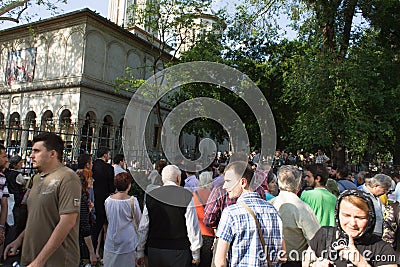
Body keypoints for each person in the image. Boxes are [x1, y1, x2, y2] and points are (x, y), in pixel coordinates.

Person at [4, 133, 81, 266]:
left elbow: (67, 222)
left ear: (52, 154)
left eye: (37, 151)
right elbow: (36, 217)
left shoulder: (68, 178)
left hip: (56, 262)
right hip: (30, 258)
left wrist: (39, 261)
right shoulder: (37, 178)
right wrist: (20, 240)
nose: (31, 155)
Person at [303, 190, 397, 267]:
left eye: (360, 217)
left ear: (370, 218)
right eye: (346, 215)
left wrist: (361, 263)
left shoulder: (382, 249)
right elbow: (306, 261)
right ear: (337, 214)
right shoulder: (324, 236)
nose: (352, 223)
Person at [215, 161, 284, 267]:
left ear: (243, 182)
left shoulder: (231, 213)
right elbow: (283, 256)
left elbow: (220, 262)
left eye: (228, 181)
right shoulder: (273, 211)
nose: (224, 186)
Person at [136, 165, 202, 267]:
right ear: (178, 178)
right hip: (179, 250)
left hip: (155, 248)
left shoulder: (151, 196)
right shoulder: (186, 195)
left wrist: (140, 250)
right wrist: (196, 253)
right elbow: (192, 227)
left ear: (163, 178)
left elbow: (144, 227)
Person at [270, 165, 320, 267]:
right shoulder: (302, 208)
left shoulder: (270, 205)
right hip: (294, 261)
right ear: (299, 184)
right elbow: (316, 240)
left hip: (272, 259)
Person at [104, 172, 141, 267]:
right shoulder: (133, 201)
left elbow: (109, 218)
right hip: (128, 242)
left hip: (111, 240)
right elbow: (139, 220)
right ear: (128, 185)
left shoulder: (108, 200)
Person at [92, 146, 115, 255]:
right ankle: (100, 251)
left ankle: (93, 251)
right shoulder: (109, 168)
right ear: (105, 155)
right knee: (102, 226)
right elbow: (112, 187)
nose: (109, 156)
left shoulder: (92, 165)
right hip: (103, 200)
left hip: (92, 198)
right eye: (109, 154)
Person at [76, 154, 97, 266]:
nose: (92, 181)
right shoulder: (83, 199)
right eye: (90, 179)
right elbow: (85, 227)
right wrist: (92, 253)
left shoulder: (74, 175)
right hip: (79, 232)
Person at [193, 171, 214, 267]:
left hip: (196, 232)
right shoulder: (213, 195)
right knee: (206, 262)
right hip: (209, 233)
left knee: (196, 261)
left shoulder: (194, 195)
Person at [0, 145, 9, 248]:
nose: (6, 160)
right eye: (3, 156)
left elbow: (4, 205)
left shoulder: (2, 178)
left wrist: (1, 227)